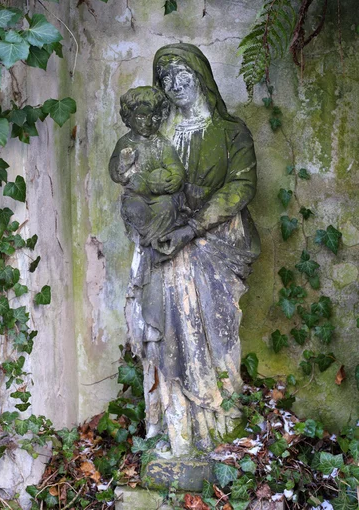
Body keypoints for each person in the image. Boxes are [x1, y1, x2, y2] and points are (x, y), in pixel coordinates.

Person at [123, 44, 260, 456]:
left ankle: (216, 425)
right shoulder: (156, 134)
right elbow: (135, 182)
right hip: (164, 242)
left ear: (200, 75)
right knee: (163, 325)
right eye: (164, 77)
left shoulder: (231, 132)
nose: (174, 84)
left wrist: (193, 226)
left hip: (216, 241)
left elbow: (241, 187)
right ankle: (173, 424)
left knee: (212, 333)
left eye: (181, 73)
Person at [109, 86, 189, 253]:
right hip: (136, 196)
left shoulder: (161, 144)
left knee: (167, 207)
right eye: (141, 116)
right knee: (133, 209)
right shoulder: (124, 143)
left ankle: (159, 241)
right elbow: (115, 173)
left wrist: (176, 178)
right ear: (128, 117)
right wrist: (123, 163)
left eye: (155, 117)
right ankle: (149, 241)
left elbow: (175, 166)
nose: (148, 122)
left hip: (160, 196)